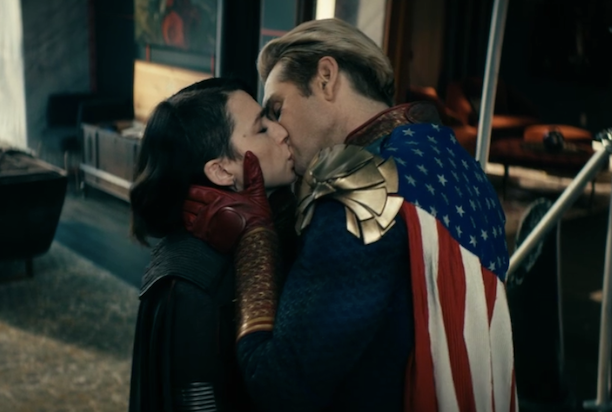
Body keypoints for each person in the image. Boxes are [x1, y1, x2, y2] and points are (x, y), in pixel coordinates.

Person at [184, 18, 516, 412]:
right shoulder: (456, 163)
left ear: (326, 78)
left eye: (277, 109)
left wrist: (255, 236)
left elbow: (276, 383)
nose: (279, 131)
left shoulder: (359, 194)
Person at [127, 77, 297, 412]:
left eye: (272, 119)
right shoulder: (191, 284)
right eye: (262, 129)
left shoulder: (274, 219)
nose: (281, 132)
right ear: (221, 171)